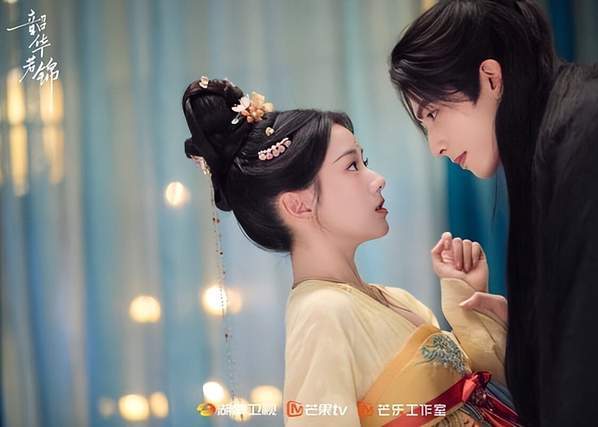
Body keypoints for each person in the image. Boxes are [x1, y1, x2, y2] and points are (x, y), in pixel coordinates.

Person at [181, 77, 520, 426]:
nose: (377, 179)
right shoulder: (321, 312)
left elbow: (490, 391)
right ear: (298, 205)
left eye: (364, 161)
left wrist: (466, 299)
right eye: (352, 166)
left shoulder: (394, 299)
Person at [389, 1, 598, 425]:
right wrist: (537, 322)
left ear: (490, 78)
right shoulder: (559, 131)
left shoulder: (596, 128)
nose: (435, 146)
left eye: (433, 114)